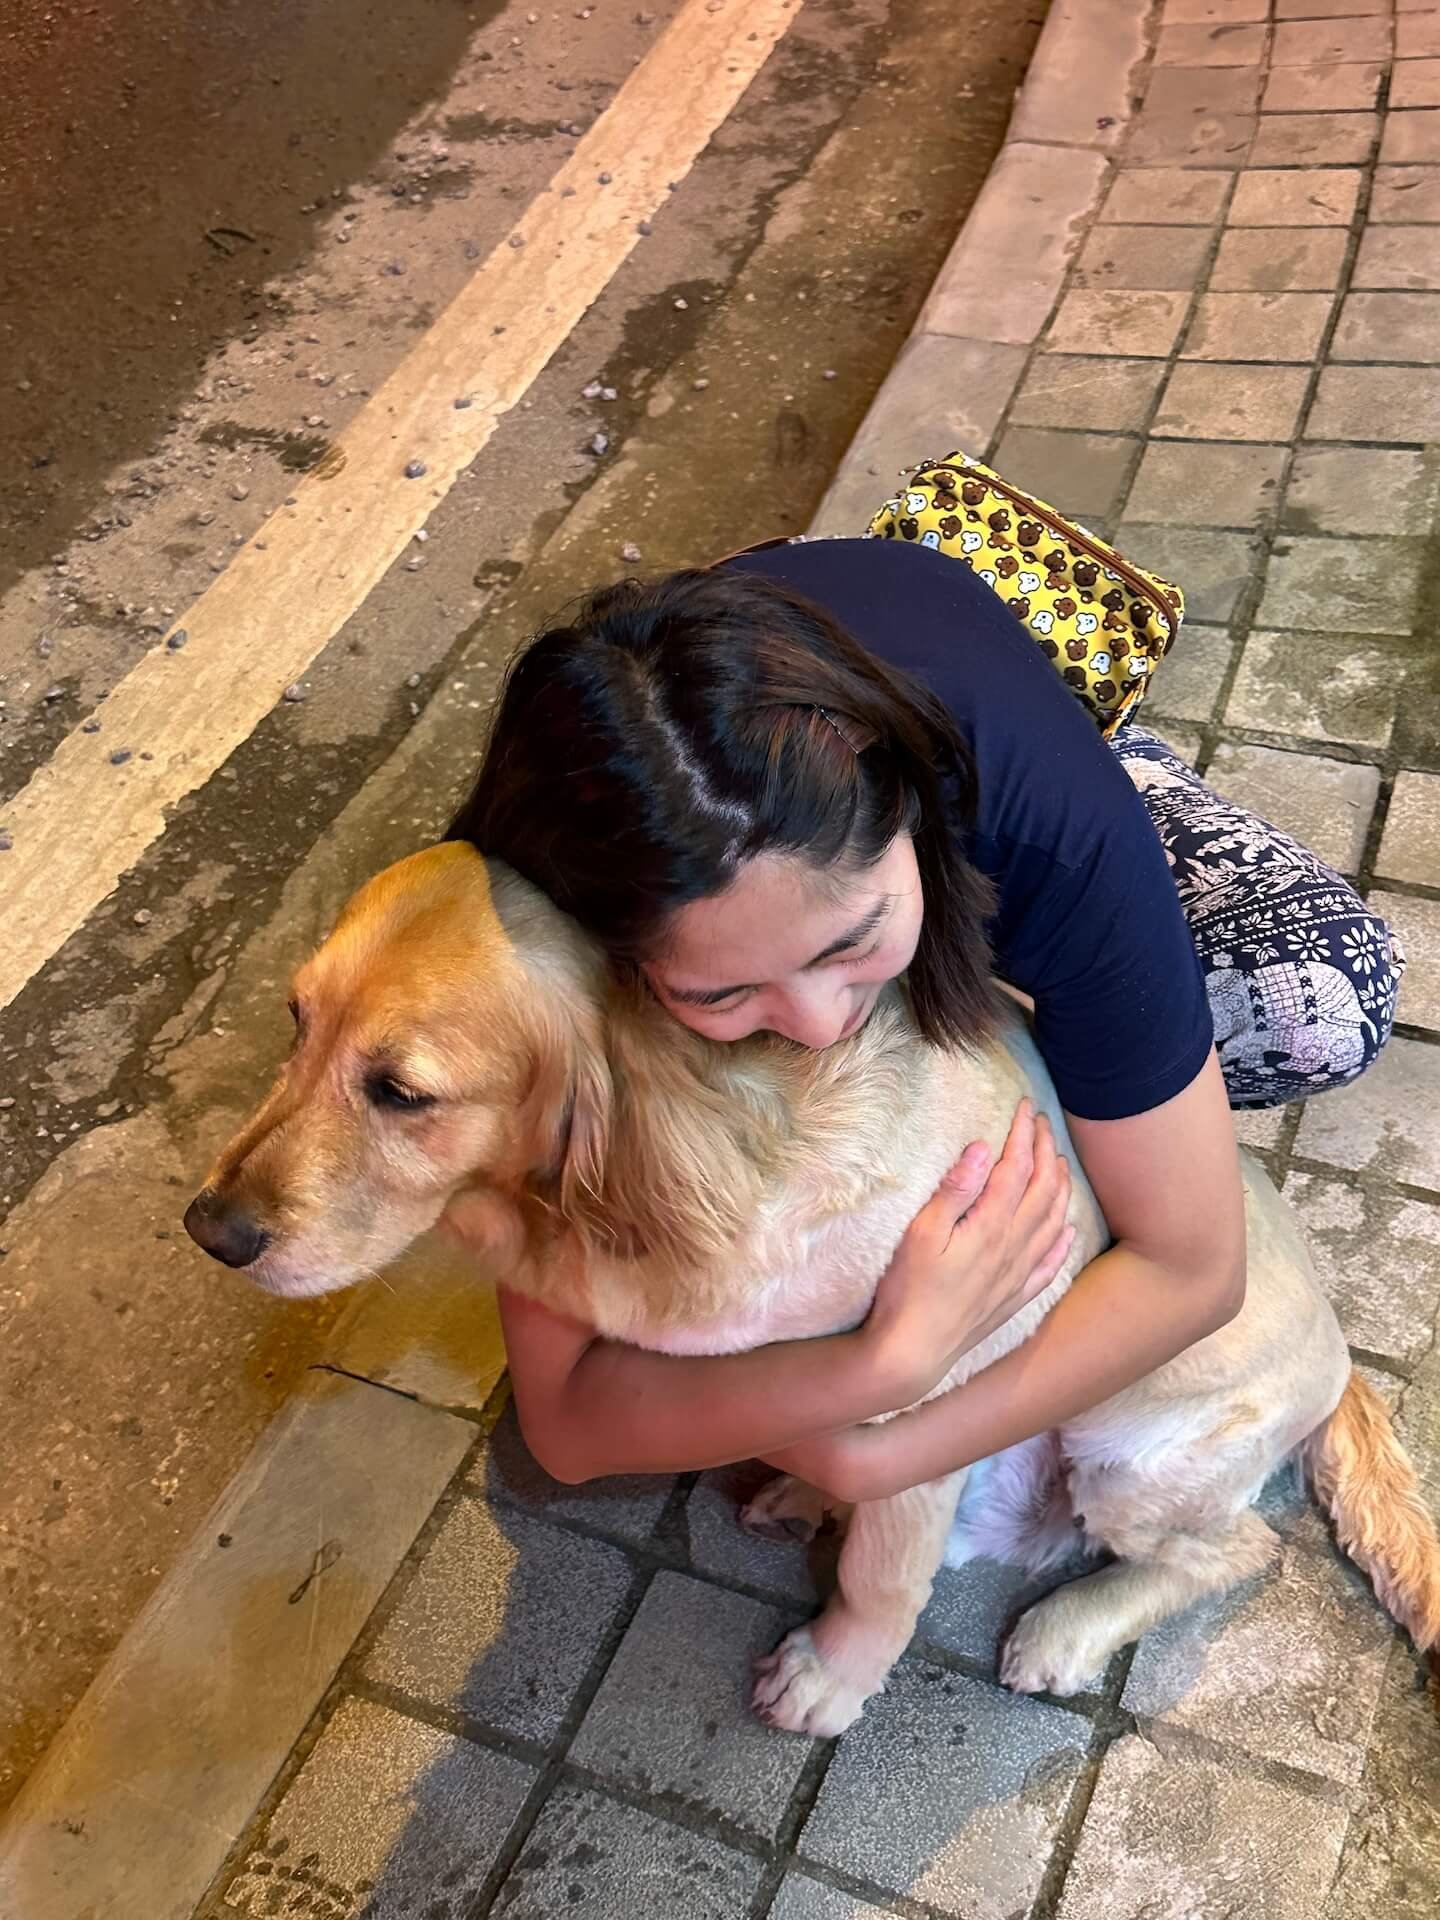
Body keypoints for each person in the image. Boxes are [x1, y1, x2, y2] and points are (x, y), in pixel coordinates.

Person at [444, 537, 1405, 1501]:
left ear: (904, 811)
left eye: (848, 944)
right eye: (720, 993)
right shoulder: (546, 893)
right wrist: (885, 1370)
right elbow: (566, 1428)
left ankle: (1123, 758)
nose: (818, 1027)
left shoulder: (1050, 839)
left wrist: (886, 1456)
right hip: (800, 665)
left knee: (1317, 1000)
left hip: (980, 726)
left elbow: (1194, 1273)